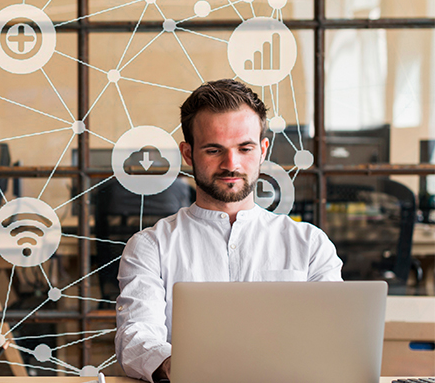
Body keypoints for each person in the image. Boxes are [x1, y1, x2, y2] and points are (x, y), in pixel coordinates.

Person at [114, 79, 342, 382]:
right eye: (213, 150)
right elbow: (135, 336)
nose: (231, 164)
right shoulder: (150, 246)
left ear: (262, 150)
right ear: (188, 154)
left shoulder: (310, 244)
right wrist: (178, 365)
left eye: (245, 148)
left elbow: (335, 340)